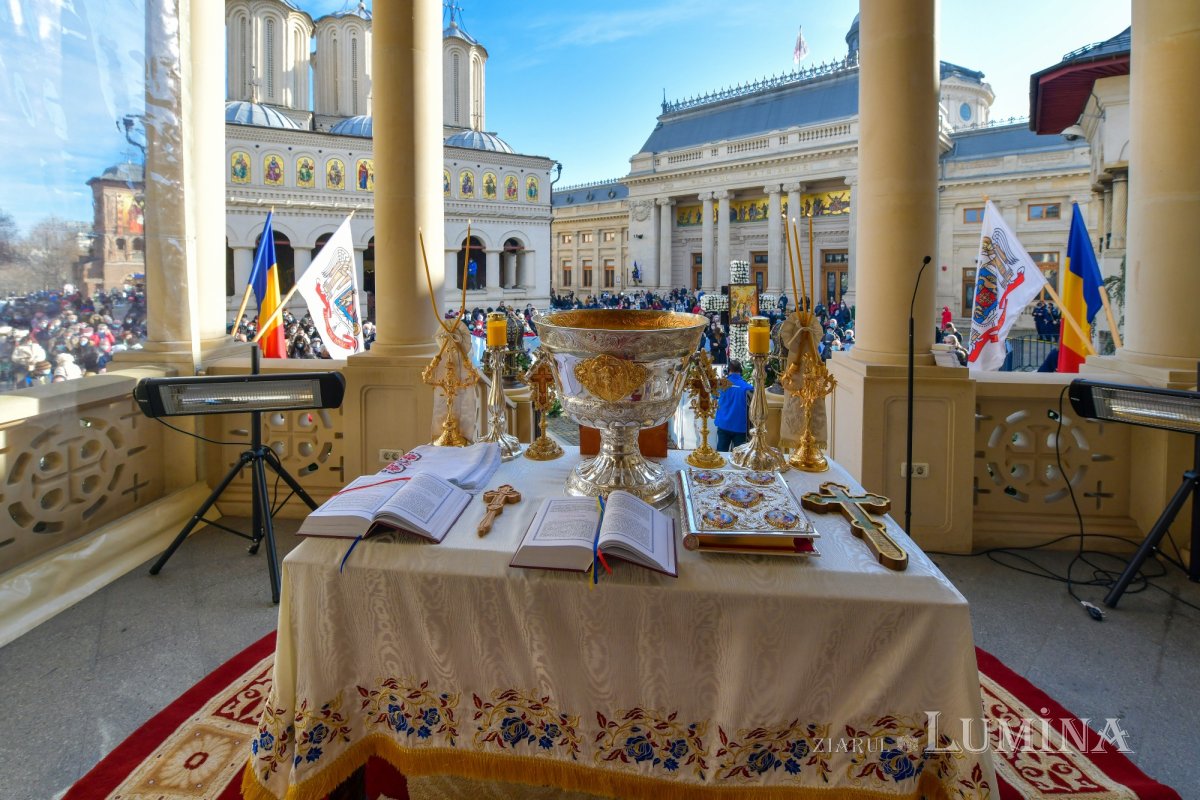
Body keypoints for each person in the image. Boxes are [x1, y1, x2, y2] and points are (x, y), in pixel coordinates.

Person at [714, 360, 752, 452]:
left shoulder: (720, 385)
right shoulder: (748, 387)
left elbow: (713, 395)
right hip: (740, 426)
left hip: (723, 424)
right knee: (739, 457)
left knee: (721, 455)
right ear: (740, 370)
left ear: (728, 370)